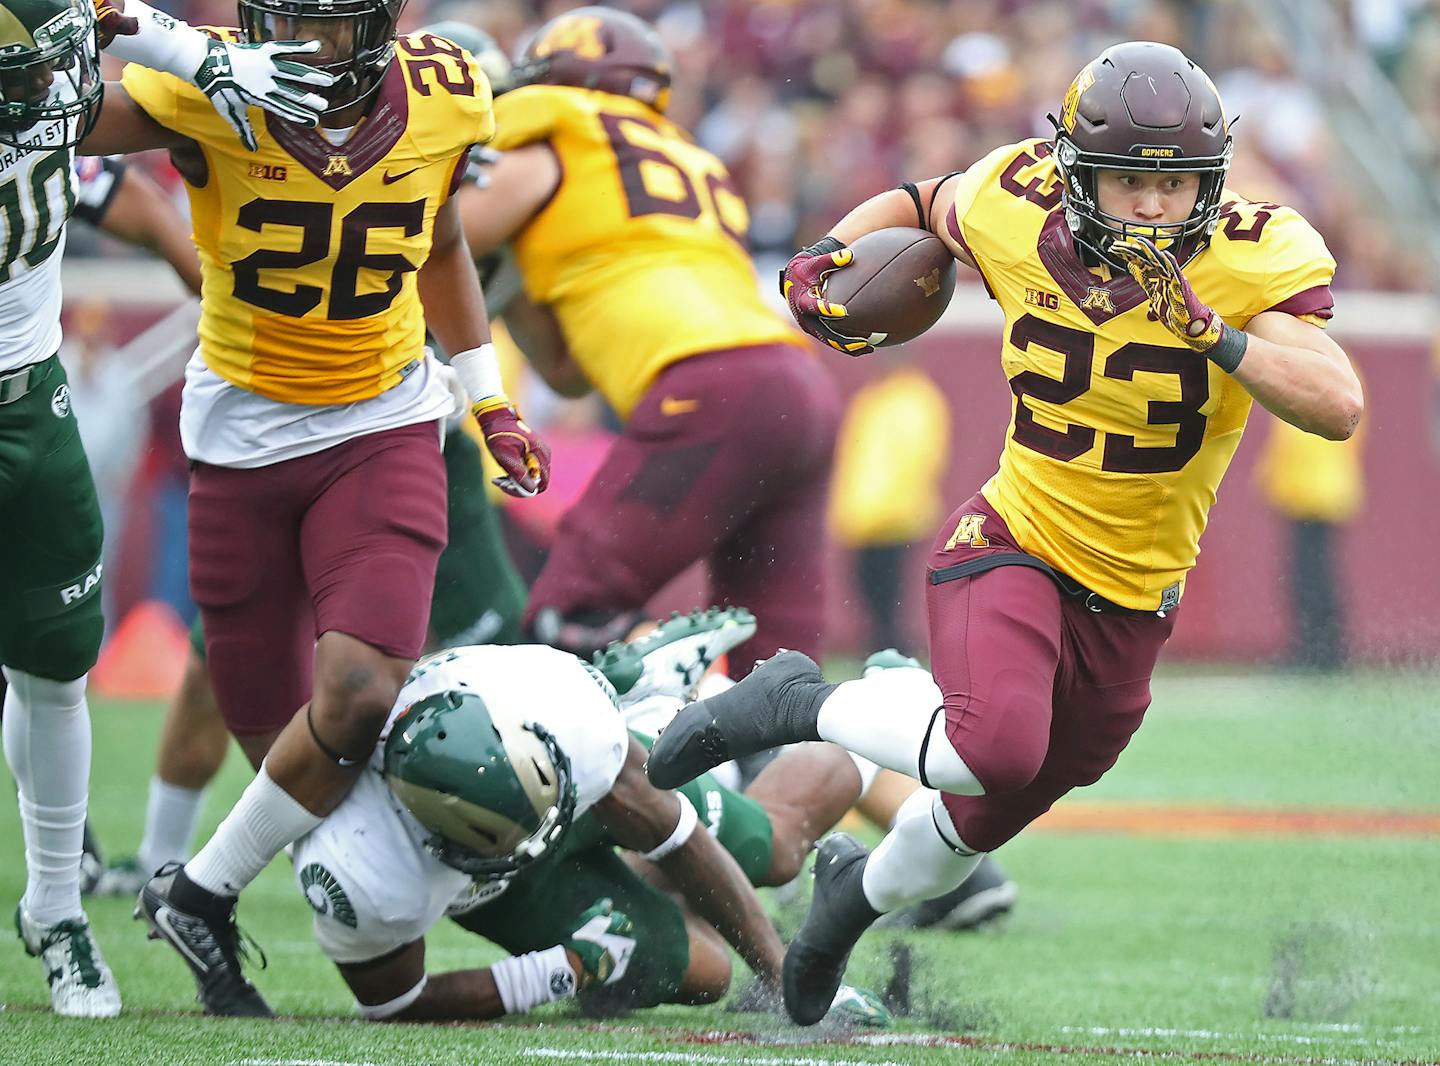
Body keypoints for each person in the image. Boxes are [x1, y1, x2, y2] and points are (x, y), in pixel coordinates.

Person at [646, 40, 1364, 1026]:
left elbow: (1338, 403)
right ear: (1076, 176)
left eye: (1178, 185)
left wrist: (1218, 335)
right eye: (1128, 182)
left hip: (1139, 591)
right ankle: (795, 699)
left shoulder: (1248, 253)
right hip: (1015, 538)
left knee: (980, 815)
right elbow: (917, 200)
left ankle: (843, 907)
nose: (1156, 207)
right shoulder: (1015, 203)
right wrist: (824, 255)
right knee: (996, 747)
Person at [76, 0, 553, 1018]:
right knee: (280, 752)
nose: (303, 41)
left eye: (327, 23)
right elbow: (54, 121)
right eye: (283, 18)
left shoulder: (446, 92)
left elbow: (441, 245)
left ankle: (200, 889)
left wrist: (489, 396)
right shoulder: (205, 89)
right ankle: (247, 908)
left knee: (360, 685)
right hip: (240, 443)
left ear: (382, 22)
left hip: (379, 424)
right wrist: (68, 33)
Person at [0, 0, 343, 1018]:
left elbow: (117, 25)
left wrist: (212, 59)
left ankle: (58, 908)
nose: (42, 98)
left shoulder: (59, 61)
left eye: (47, 72)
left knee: (59, 660)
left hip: (28, 400)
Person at [456, 7, 842, 673]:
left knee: (570, 619)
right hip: (799, 387)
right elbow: (570, 373)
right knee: (777, 677)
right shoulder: (688, 157)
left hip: (712, 385)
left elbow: (428, 241)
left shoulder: (557, 138)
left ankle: (676, 681)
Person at [279, 607, 885, 1024]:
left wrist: (789, 979)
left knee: (773, 851)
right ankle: (656, 705)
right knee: (707, 973)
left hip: (585, 789)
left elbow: (677, 837)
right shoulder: (352, 855)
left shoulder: (568, 722)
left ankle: (879, 706)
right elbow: (394, 1004)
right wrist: (557, 971)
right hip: (504, 891)